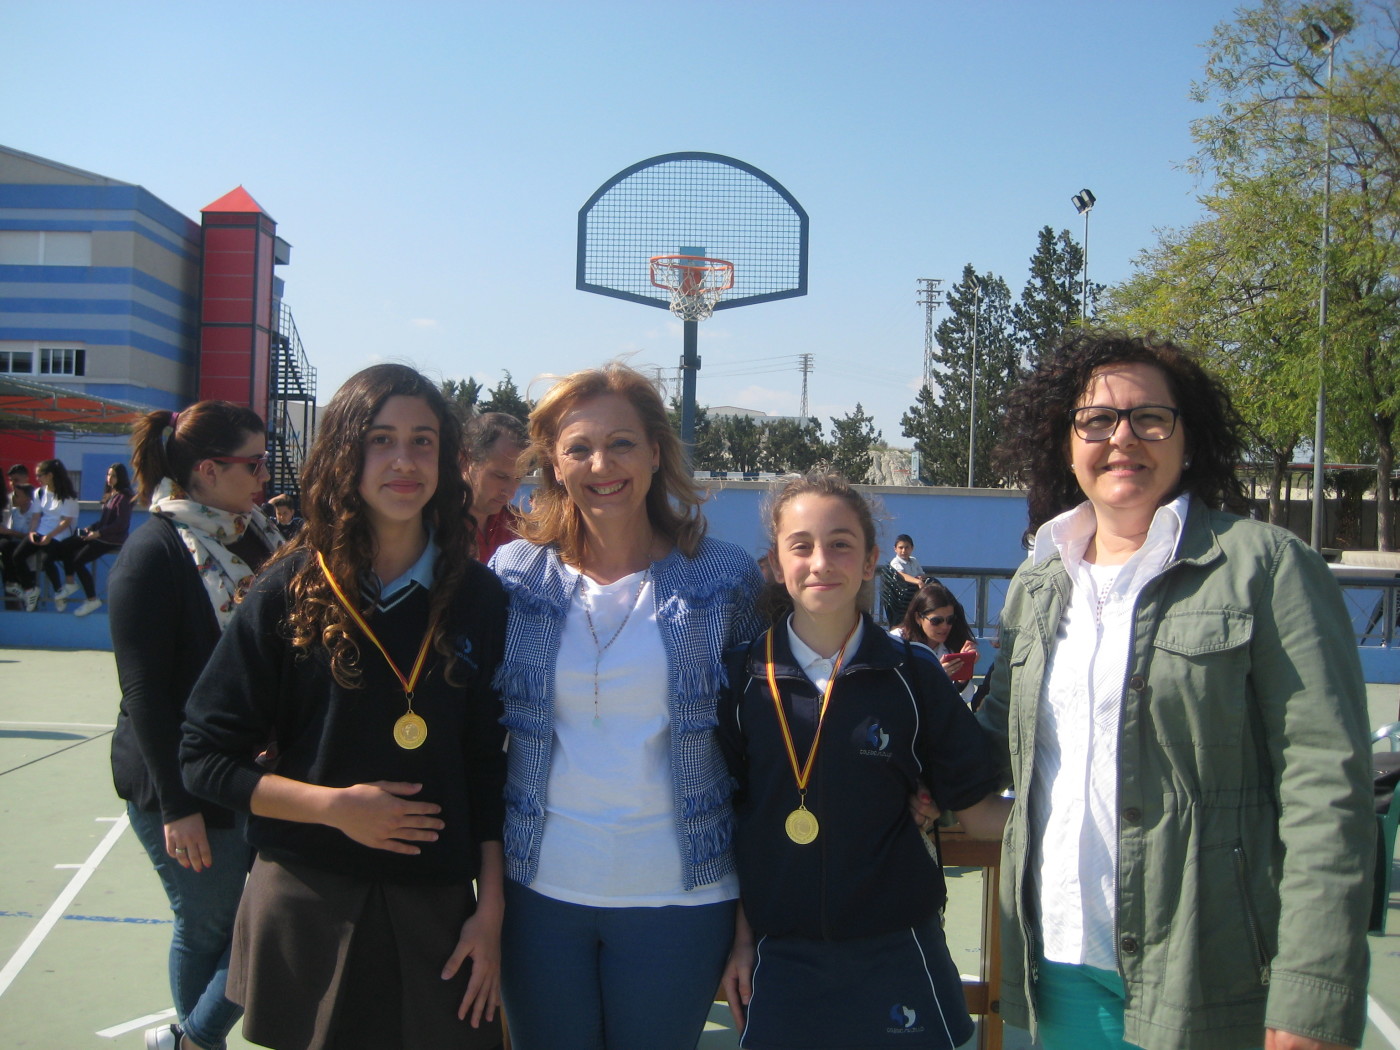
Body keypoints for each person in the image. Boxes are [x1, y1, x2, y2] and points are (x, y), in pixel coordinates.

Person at [980, 330, 1375, 1050]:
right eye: (1097, 420)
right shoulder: (1038, 582)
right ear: (1066, 444)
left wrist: (1313, 988)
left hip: (1213, 976)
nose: (1122, 437)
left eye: (1149, 418)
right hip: (1061, 966)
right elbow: (989, 746)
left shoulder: (1267, 567)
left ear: (1186, 438)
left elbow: (1328, 789)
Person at [181, 364, 507, 1050]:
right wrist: (333, 807)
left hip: (440, 908)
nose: (402, 461)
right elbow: (205, 760)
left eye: (422, 442)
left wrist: (492, 907)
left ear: (448, 462)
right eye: (380, 439)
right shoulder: (286, 592)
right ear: (343, 455)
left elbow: (487, 767)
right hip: (307, 897)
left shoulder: (480, 597)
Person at [489, 362, 765, 1050]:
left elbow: (765, 751)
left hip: (681, 900)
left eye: (620, 444)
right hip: (540, 896)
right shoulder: (514, 575)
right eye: (578, 447)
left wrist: (751, 919)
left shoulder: (723, 576)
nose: (600, 464)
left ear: (655, 453)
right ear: (553, 463)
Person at [716, 472, 1008, 1049]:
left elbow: (977, 812)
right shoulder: (741, 676)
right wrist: (740, 938)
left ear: (873, 561)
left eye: (841, 543)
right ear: (775, 564)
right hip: (781, 951)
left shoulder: (913, 672)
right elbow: (732, 818)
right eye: (800, 545)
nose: (821, 561)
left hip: (898, 945)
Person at [108, 402, 281, 1050]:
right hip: (181, 786)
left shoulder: (255, 533)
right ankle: (197, 1043)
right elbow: (146, 695)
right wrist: (178, 806)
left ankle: (187, 1042)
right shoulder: (153, 553)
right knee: (213, 929)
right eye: (254, 463)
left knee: (265, 919)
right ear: (207, 470)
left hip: (248, 772)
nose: (265, 475)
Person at [55, 462, 135, 617]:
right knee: (67, 544)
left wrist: (98, 533)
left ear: (121, 477)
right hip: (100, 534)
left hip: (111, 539)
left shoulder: (124, 497)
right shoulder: (112, 495)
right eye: (108, 474)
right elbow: (104, 520)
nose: (110, 478)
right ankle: (70, 583)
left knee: (78, 561)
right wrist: (90, 528)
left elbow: (120, 523)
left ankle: (92, 599)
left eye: (114, 475)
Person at [12, 458, 80, 610]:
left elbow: (66, 521)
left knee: (47, 561)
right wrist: (32, 533)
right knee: (17, 556)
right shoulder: (40, 493)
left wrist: (49, 536)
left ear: (50, 475)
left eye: (40, 475)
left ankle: (59, 592)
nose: (37, 479)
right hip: (41, 530)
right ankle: (30, 590)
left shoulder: (67, 496)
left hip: (58, 534)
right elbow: (36, 516)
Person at [895, 580, 979, 698]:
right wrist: (935, 676)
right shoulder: (896, 642)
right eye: (936, 621)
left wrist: (962, 678)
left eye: (950, 620)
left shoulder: (954, 646)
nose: (944, 627)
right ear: (918, 618)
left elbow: (963, 701)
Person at [463, 411, 527, 562]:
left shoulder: (520, 528)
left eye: (518, 478)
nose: (510, 493)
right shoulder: (428, 527)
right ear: (466, 461)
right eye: (500, 476)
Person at [1, 482, 38, 601]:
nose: (13, 497)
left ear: (27, 498)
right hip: (15, 548)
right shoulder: (15, 513)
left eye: (17, 495)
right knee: (4, 545)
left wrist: (11, 532)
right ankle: (11, 583)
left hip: (28, 552)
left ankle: (28, 590)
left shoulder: (34, 514)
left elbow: (30, 536)